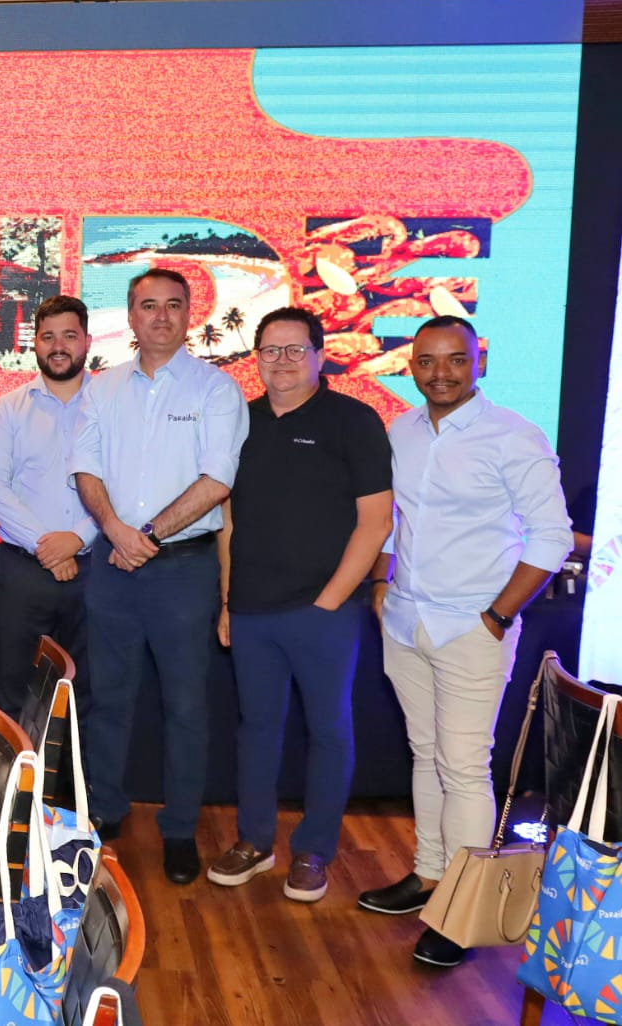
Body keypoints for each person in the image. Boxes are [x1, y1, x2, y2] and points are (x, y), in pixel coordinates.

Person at [358, 315, 571, 968]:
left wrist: (499, 615)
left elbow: (552, 536)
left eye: (456, 359)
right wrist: (380, 581)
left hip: (473, 629)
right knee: (425, 755)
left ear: (479, 362)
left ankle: (462, 911)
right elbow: (396, 519)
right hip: (406, 620)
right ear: (410, 367)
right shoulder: (401, 430)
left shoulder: (513, 435)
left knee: (463, 767)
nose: (441, 373)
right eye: (427, 361)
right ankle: (428, 874)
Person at [209, 307, 393, 903]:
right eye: (270, 350)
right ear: (256, 358)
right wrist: (228, 600)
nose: (282, 361)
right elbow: (229, 522)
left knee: (328, 731)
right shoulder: (241, 423)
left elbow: (376, 521)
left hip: (324, 613)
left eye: (295, 349)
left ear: (320, 355)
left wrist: (330, 602)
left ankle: (314, 851)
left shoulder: (354, 421)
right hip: (252, 609)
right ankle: (254, 841)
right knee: (257, 729)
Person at [68, 268, 246, 884]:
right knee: (107, 698)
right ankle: (105, 812)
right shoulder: (102, 388)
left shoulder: (216, 389)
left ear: (190, 314)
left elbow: (218, 480)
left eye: (173, 305)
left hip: (183, 572)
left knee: (186, 707)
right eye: (149, 305)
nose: (161, 316)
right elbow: (85, 468)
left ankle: (179, 831)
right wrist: (115, 529)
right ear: (131, 316)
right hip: (112, 567)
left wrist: (143, 536)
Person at [0, 296, 97, 720]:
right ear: (35, 343)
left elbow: (124, 485)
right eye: (48, 337)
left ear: (87, 341)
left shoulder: (112, 405)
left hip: (95, 570)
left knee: (88, 694)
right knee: (16, 691)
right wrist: (48, 546)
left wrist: (77, 538)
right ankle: (20, 768)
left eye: (69, 336)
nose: (58, 346)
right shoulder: (9, 408)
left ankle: (79, 769)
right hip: (23, 572)